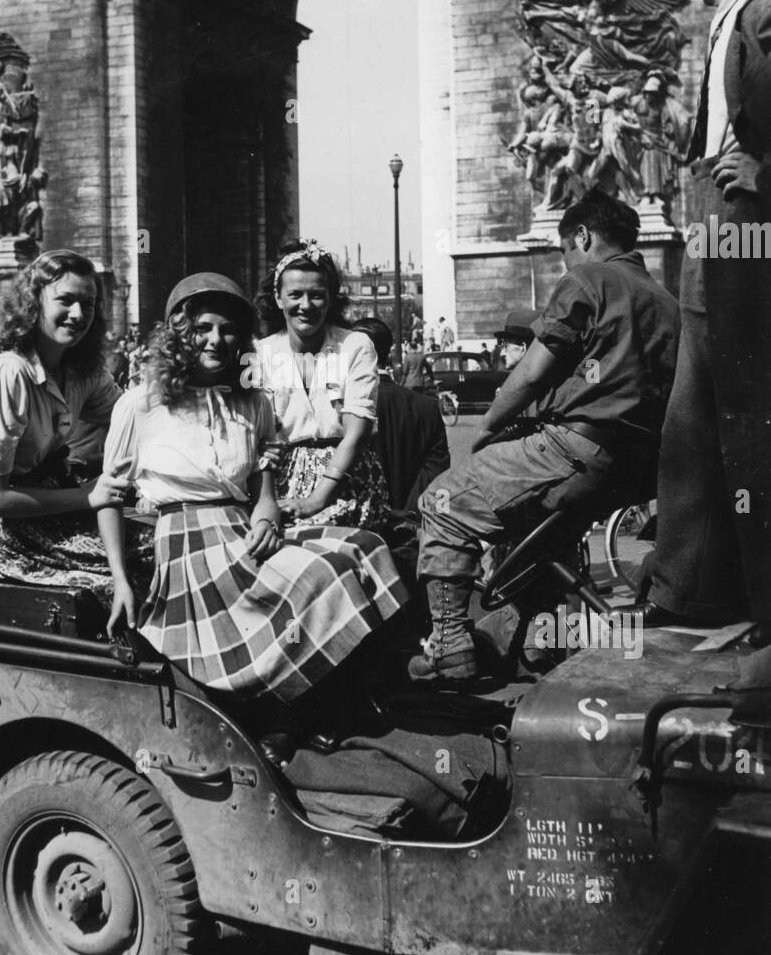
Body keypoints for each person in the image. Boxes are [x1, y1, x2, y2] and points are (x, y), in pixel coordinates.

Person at [99, 272, 407, 707]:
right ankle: (288, 708)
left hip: (243, 529)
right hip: (190, 548)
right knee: (318, 575)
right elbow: (108, 497)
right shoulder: (141, 403)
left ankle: (332, 695)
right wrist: (120, 579)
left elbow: (263, 472)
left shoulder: (252, 401)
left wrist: (267, 512)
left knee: (365, 545)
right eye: (202, 328)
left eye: (227, 330)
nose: (216, 340)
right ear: (179, 334)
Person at [414, 191, 679, 682]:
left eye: (565, 251)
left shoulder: (589, 277)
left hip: (574, 448)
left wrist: (488, 428)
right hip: (634, 469)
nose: (567, 261)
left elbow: (533, 373)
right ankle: (540, 647)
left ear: (582, 236)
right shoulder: (666, 300)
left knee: (443, 503)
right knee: (537, 535)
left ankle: (449, 645)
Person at [627, 0, 771, 646]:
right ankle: (690, 588)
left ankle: (758, 606)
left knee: (746, 417)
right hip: (712, 230)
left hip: (748, 233)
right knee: (693, 417)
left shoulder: (764, 13)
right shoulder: (730, 20)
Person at [0, 250, 128, 596]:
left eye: (89, 304)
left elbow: (136, 419)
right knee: (132, 572)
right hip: (2, 529)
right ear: (33, 303)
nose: (78, 314)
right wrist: (84, 496)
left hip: (52, 501)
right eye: (65, 300)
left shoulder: (83, 370)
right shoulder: (6, 373)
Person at [254, 239, 390, 530]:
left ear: (330, 299)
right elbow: (254, 433)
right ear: (278, 299)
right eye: (295, 295)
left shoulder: (354, 346)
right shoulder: (259, 353)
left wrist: (316, 500)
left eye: (316, 295)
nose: (306, 306)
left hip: (345, 480)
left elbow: (357, 433)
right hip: (279, 481)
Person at [352, 317, 450, 515]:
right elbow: (438, 475)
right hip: (410, 524)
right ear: (388, 352)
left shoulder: (343, 406)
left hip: (356, 524)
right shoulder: (427, 407)